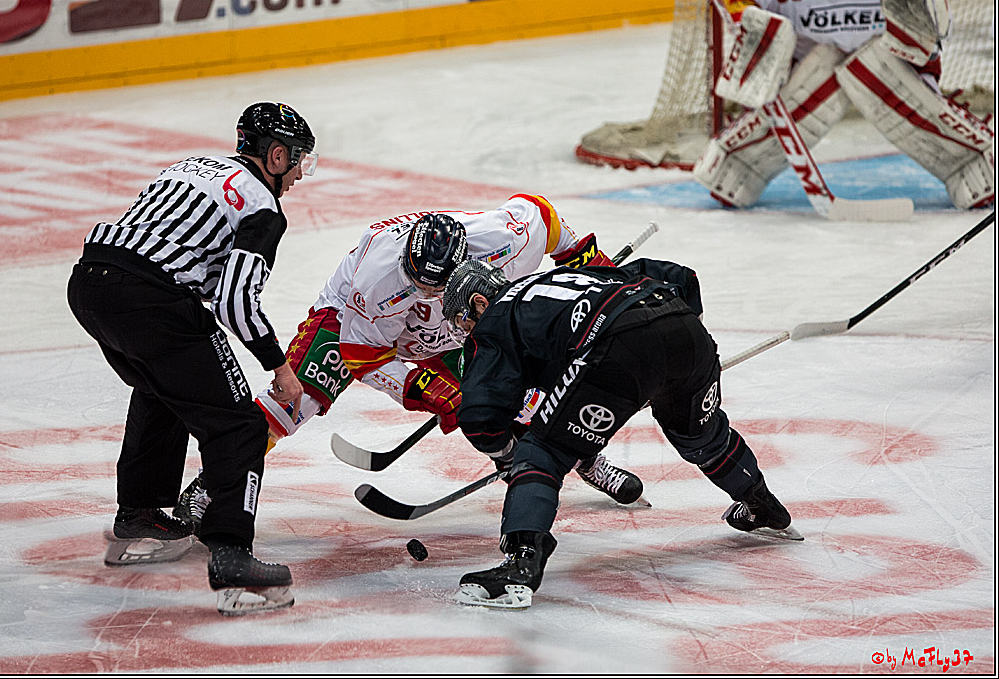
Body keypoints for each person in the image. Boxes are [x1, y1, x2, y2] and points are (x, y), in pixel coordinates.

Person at [175, 196, 647, 528]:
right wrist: (429, 390)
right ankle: (215, 482)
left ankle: (583, 457)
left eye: (435, 285)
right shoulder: (377, 277)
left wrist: (596, 267)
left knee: (521, 394)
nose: (426, 292)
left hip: (458, 324)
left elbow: (546, 219)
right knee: (297, 401)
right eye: (419, 281)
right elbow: (364, 358)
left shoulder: (504, 239)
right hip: (355, 326)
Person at [66, 102, 317, 616]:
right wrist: (280, 367)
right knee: (240, 427)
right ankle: (233, 560)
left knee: (164, 386)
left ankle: (139, 513)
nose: (296, 175)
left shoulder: (190, 165)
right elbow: (234, 302)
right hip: (152, 301)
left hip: (89, 284)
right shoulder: (263, 208)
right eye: (297, 161)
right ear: (274, 155)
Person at [441, 258, 800, 609]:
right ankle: (762, 506)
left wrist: (508, 457)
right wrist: (671, 346)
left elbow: (479, 416)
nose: (464, 330)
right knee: (701, 437)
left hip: (619, 345)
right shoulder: (561, 276)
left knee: (542, 453)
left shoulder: (493, 321)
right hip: (684, 328)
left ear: (479, 302)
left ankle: (520, 565)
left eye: (461, 320)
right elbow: (678, 275)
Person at [694, 0, 993, 211]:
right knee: (829, 64)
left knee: (876, 68)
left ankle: (970, 159)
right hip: (809, 59)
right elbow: (743, 7)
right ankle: (740, 162)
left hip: (891, 60)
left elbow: (926, 41)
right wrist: (750, 20)